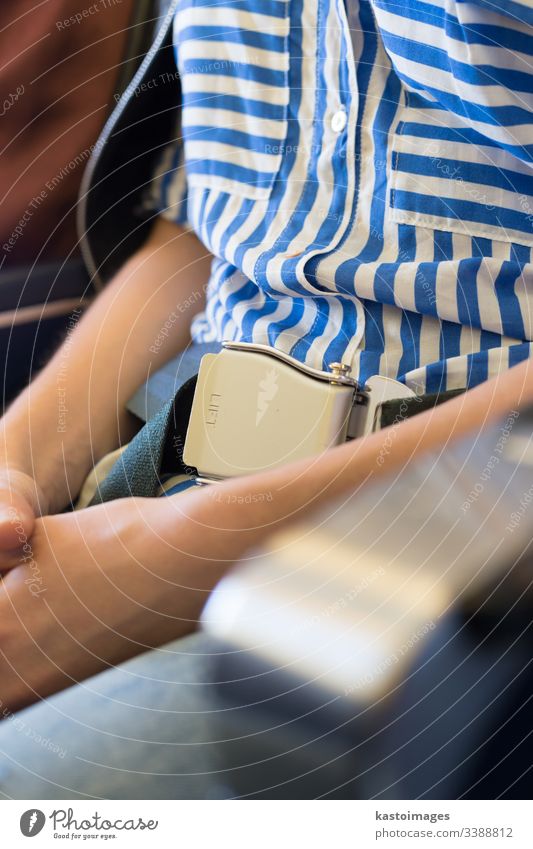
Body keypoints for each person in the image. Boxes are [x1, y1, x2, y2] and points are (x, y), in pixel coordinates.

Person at [0, 0, 532, 726]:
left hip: (459, 554)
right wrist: (18, 459)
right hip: (164, 483)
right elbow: (203, 228)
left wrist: (182, 554)